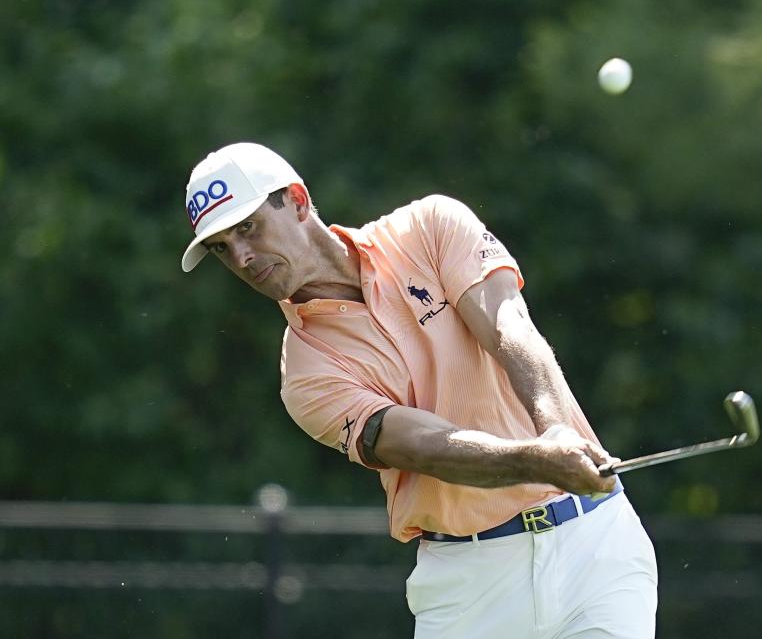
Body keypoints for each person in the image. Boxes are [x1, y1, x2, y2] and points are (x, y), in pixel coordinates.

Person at [180, 142, 658, 638]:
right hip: (470, 585)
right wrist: (535, 458)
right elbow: (423, 445)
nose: (240, 256)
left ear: (298, 201)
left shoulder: (429, 226)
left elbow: (507, 326)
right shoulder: (304, 372)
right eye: (221, 248)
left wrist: (557, 428)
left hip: (595, 546)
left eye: (247, 228)